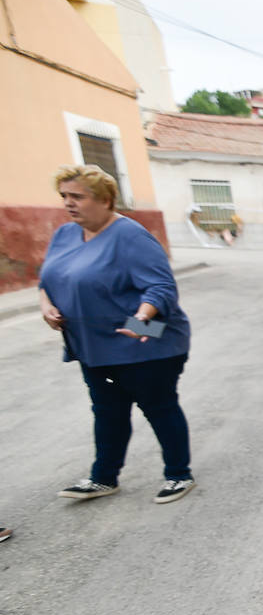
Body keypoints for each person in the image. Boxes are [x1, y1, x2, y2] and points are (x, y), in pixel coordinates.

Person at [38, 165, 196, 504]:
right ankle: (103, 478)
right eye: (64, 196)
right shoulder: (64, 235)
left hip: (143, 334)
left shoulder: (130, 235)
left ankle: (178, 475)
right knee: (107, 412)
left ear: (106, 200)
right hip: (93, 343)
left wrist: (142, 315)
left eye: (78, 196)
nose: (69, 203)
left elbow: (161, 287)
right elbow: (47, 279)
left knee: (159, 406)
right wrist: (46, 304)